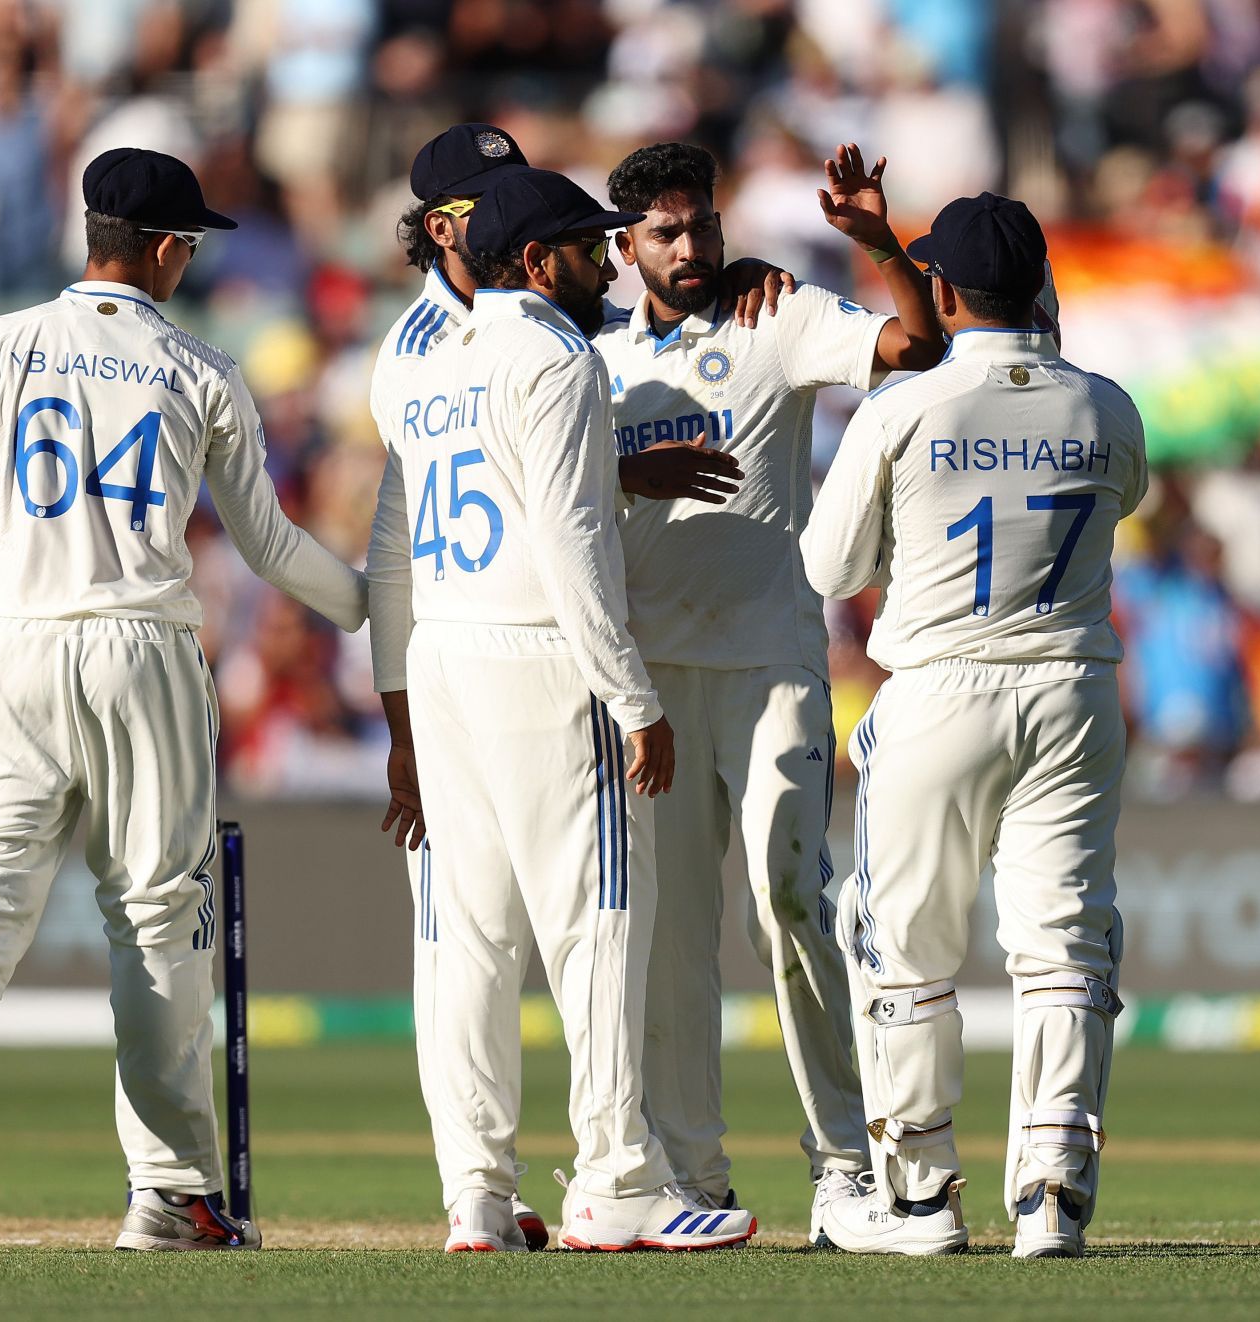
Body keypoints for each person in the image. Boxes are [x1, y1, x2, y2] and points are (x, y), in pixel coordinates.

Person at [0, 147, 367, 1254]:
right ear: (166, 249)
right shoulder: (202, 366)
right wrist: (373, 608)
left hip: (11, 645)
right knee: (159, 920)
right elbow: (266, 543)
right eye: (190, 245)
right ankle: (170, 1190)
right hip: (143, 646)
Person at [368, 122, 774, 1247]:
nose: (609, 261)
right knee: (599, 920)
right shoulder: (555, 355)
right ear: (537, 262)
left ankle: (478, 1198)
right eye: (590, 247)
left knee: (472, 939)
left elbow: (399, 546)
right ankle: (617, 1178)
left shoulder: (422, 362)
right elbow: (570, 540)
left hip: (444, 658)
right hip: (537, 656)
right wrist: (633, 695)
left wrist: (399, 703)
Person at [595, 140, 946, 1241]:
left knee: (791, 902)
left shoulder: (774, 314)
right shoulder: (588, 356)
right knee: (674, 940)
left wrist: (879, 241)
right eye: (665, 233)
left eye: (701, 224)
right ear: (623, 248)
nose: (692, 247)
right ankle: (695, 1176)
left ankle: (845, 1171)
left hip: (769, 664)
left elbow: (917, 347)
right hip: (649, 686)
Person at [801, 192, 1146, 1257]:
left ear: (942, 293)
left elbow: (829, 567)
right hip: (1072, 692)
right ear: (1043, 285)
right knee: (1065, 946)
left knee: (903, 949)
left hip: (941, 688)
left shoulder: (904, 409)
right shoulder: (1107, 406)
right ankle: (1051, 1190)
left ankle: (919, 1199)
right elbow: (1119, 495)